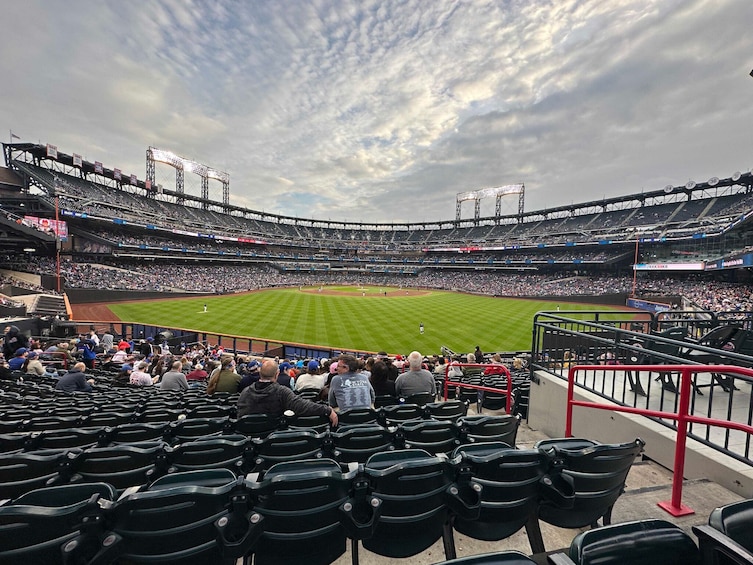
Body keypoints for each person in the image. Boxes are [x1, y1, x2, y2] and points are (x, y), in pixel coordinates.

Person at [237, 360, 338, 426]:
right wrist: (327, 410)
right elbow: (302, 406)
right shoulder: (281, 392)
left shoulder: (245, 392)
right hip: (272, 436)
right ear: (276, 374)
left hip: (248, 438)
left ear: (260, 374)